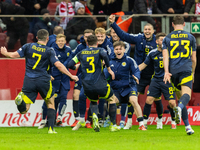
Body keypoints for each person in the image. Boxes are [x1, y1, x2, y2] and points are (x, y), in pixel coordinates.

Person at [0, 29, 78, 133]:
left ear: (36, 38)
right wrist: (71, 76)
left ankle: (20, 101)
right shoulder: (49, 50)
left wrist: (5, 53)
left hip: (29, 80)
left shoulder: (28, 46)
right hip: (43, 80)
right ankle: (50, 129)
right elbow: (58, 65)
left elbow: (13, 55)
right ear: (47, 38)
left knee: (24, 110)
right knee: (50, 103)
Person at [109, 14, 162, 130]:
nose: (147, 31)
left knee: (156, 98)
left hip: (153, 74)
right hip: (139, 74)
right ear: (143, 31)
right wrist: (113, 24)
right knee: (133, 99)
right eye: (145, 29)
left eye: (149, 29)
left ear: (153, 31)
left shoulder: (157, 42)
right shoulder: (139, 38)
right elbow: (123, 35)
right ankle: (129, 122)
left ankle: (159, 121)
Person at [68, 35, 119, 132]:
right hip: (100, 82)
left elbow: (70, 64)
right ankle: (113, 125)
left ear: (87, 43)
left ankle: (94, 115)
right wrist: (109, 69)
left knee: (93, 100)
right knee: (112, 99)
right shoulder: (100, 50)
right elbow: (105, 56)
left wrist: (76, 67)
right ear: (97, 43)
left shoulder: (81, 53)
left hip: (87, 85)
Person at [162, 16, 196, 135]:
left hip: (173, 71)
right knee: (186, 96)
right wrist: (193, 71)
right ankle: (180, 108)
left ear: (172, 24)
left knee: (181, 98)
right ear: (184, 24)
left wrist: (166, 72)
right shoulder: (191, 37)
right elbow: (194, 58)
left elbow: (165, 56)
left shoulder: (167, 38)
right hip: (186, 69)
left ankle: (187, 127)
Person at [104, 41, 147, 130]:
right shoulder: (110, 62)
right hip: (116, 89)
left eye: (120, 49)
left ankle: (141, 124)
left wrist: (137, 77)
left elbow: (136, 71)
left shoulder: (130, 60)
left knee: (134, 101)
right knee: (111, 101)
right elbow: (105, 75)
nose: (118, 51)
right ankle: (113, 124)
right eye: (116, 49)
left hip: (129, 87)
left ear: (124, 50)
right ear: (114, 50)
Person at [38, 34, 77, 129]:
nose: (61, 43)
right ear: (56, 41)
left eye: (62, 41)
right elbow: (46, 64)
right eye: (59, 41)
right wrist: (48, 74)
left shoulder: (68, 50)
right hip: (54, 77)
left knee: (63, 97)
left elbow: (70, 62)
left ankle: (59, 118)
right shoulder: (51, 50)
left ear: (65, 41)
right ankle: (44, 120)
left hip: (64, 78)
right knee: (49, 99)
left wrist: (73, 67)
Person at [139, 32, 176, 129]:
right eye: (161, 39)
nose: (163, 41)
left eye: (165, 39)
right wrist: (133, 70)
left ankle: (173, 122)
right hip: (156, 79)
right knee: (149, 99)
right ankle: (145, 123)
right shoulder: (152, 53)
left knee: (172, 103)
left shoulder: (171, 52)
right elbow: (144, 65)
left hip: (167, 79)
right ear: (156, 41)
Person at [103, 28, 131, 128]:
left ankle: (123, 120)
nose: (115, 34)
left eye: (117, 33)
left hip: (122, 71)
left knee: (125, 99)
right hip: (110, 70)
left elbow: (124, 57)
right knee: (109, 98)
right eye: (113, 32)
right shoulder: (108, 44)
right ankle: (109, 118)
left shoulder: (125, 45)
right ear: (110, 33)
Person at [70, 29, 95, 129]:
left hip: (94, 76)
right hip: (81, 75)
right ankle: (78, 119)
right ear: (83, 37)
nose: (87, 38)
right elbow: (72, 58)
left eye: (89, 36)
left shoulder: (97, 47)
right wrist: (74, 66)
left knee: (92, 98)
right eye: (86, 36)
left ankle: (89, 120)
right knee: (76, 95)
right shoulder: (80, 47)